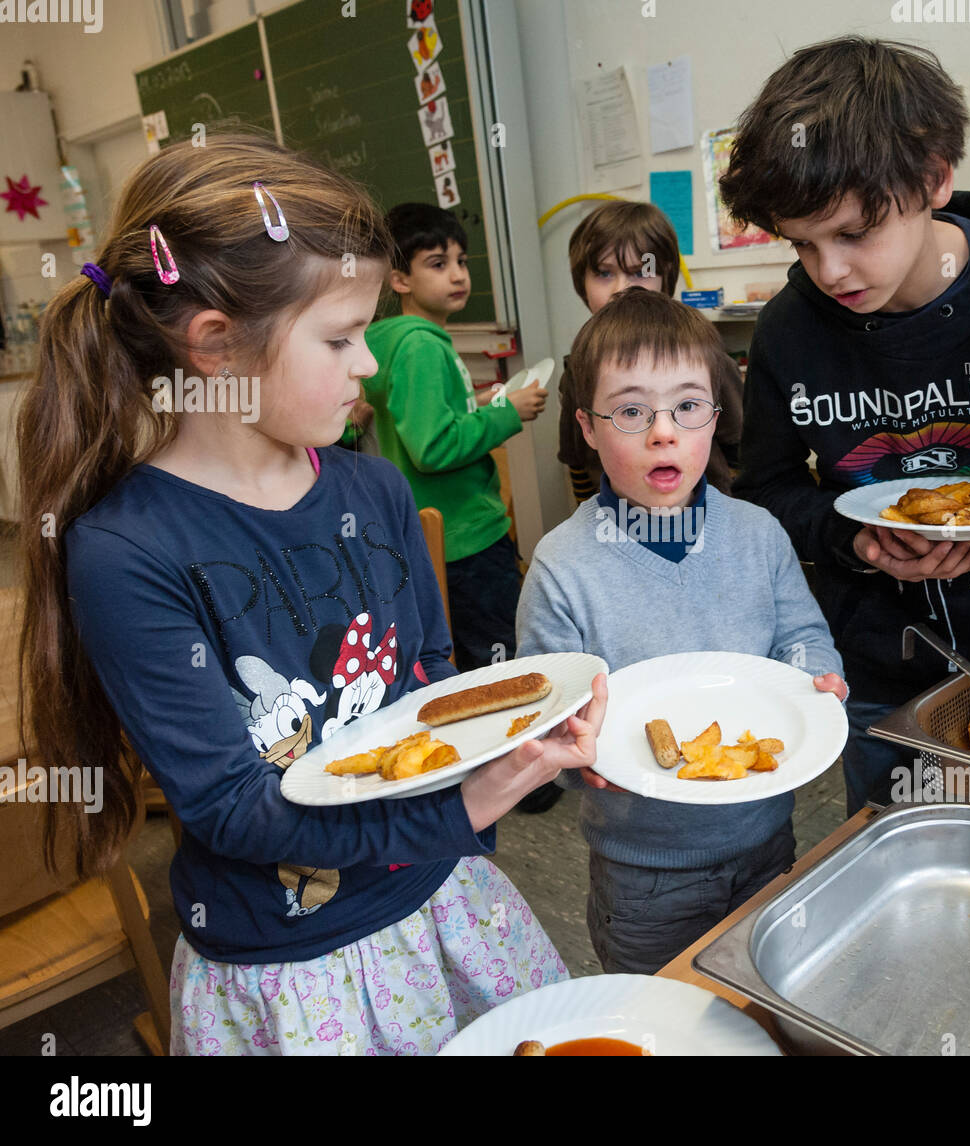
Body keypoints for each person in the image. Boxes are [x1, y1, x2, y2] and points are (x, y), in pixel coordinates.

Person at [18, 135, 607, 1056]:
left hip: (440, 898)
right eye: (339, 339)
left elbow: (430, 677)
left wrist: (521, 740)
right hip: (298, 963)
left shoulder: (373, 491)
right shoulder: (127, 552)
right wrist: (467, 804)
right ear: (215, 346)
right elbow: (229, 808)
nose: (368, 364)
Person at [717, 37, 970, 815]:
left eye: (853, 234)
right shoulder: (786, 332)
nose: (828, 271)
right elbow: (767, 487)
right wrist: (854, 539)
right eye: (801, 243)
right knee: (893, 848)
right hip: (876, 672)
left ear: (934, 178)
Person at [516, 288, 847, 975]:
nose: (663, 431)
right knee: (659, 1016)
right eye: (632, 410)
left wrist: (817, 672)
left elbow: (801, 633)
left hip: (765, 840)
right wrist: (574, 757)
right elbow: (545, 712)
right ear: (586, 426)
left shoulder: (758, 534)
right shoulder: (563, 566)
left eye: (687, 407)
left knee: (758, 1004)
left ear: (715, 418)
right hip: (645, 872)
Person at [364, 203, 546, 673]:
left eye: (461, 261)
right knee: (497, 656)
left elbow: (425, 420)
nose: (458, 275)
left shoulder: (397, 340)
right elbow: (434, 447)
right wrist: (508, 414)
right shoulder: (421, 346)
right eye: (437, 264)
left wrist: (482, 402)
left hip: (443, 534)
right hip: (466, 535)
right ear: (400, 280)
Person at [556, 199, 741, 503]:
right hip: (615, 529)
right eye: (604, 273)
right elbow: (577, 462)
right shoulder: (577, 371)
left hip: (708, 523)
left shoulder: (705, 358)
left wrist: (737, 516)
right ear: (582, 283)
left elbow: (741, 450)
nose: (620, 287)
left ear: (665, 276)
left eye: (639, 271)